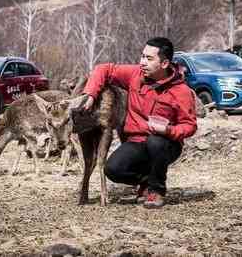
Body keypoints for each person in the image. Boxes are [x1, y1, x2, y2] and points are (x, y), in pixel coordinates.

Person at [82, 37, 197, 209]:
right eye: (142, 56)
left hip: (165, 144)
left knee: (156, 142)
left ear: (165, 63)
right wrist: (90, 95)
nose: (142, 62)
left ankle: (157, 190)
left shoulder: (181, 91)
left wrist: (168, 130)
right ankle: (146, 183)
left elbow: (190, 125)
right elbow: (103, 69)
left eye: (149, 59)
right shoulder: (135, 75)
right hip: (137, 142)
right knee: (112, 170)